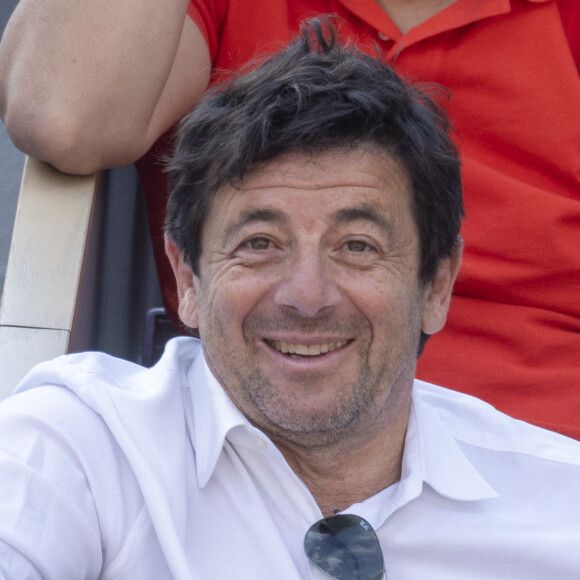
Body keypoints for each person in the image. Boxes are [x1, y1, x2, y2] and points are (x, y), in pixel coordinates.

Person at [1, 23, 579, 579]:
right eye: (259, 244)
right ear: (188, 279)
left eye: (357, 246)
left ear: (436, 285)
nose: (306, 296)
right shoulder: (85, 448)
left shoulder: (560, 506)